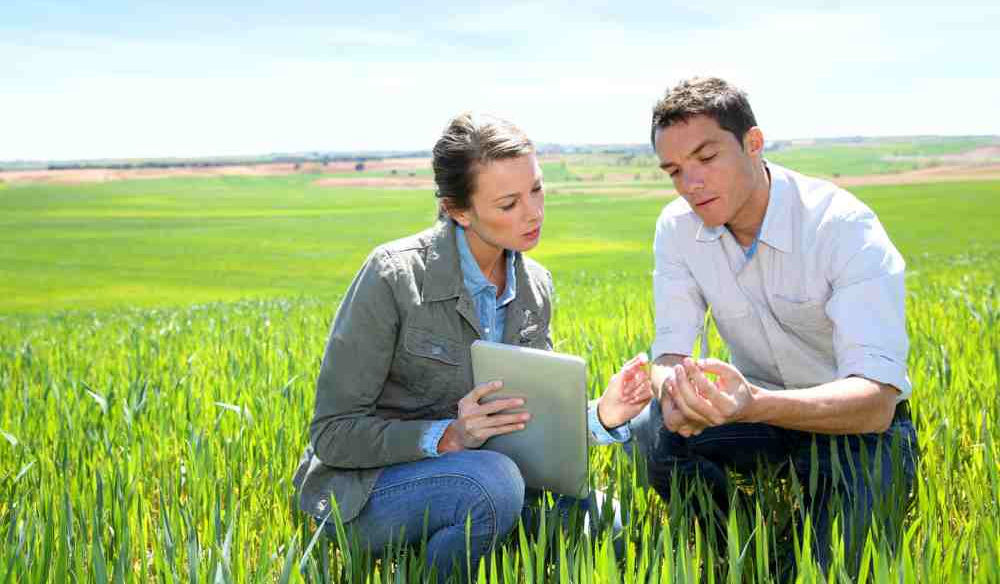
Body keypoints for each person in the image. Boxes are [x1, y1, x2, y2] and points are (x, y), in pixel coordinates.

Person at [293, 112, 652, 583]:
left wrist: (603, 415)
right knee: (492, 483)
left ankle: (457, 544)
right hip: (368, 491)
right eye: (509, 203)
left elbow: (528, 420)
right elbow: (333, 433)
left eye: (537, 190)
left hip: (483, 479)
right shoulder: (393, 276)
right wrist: (448, 437)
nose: (534, 213)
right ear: (458, 210)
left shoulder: (535, 286)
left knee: (604, 517)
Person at [634, 77, 918, 575]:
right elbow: (669, 353)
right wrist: (677, 392)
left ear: (753, 143)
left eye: (706, 158)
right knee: (652, 429)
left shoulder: (842, 227)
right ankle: (740, 542)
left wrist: (755, 404)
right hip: (754, 417)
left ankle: (793, 550)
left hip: (851, 426)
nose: (690, 183)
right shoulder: (677, 227)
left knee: (827, 570)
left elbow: (876, 401)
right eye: (675, 170)